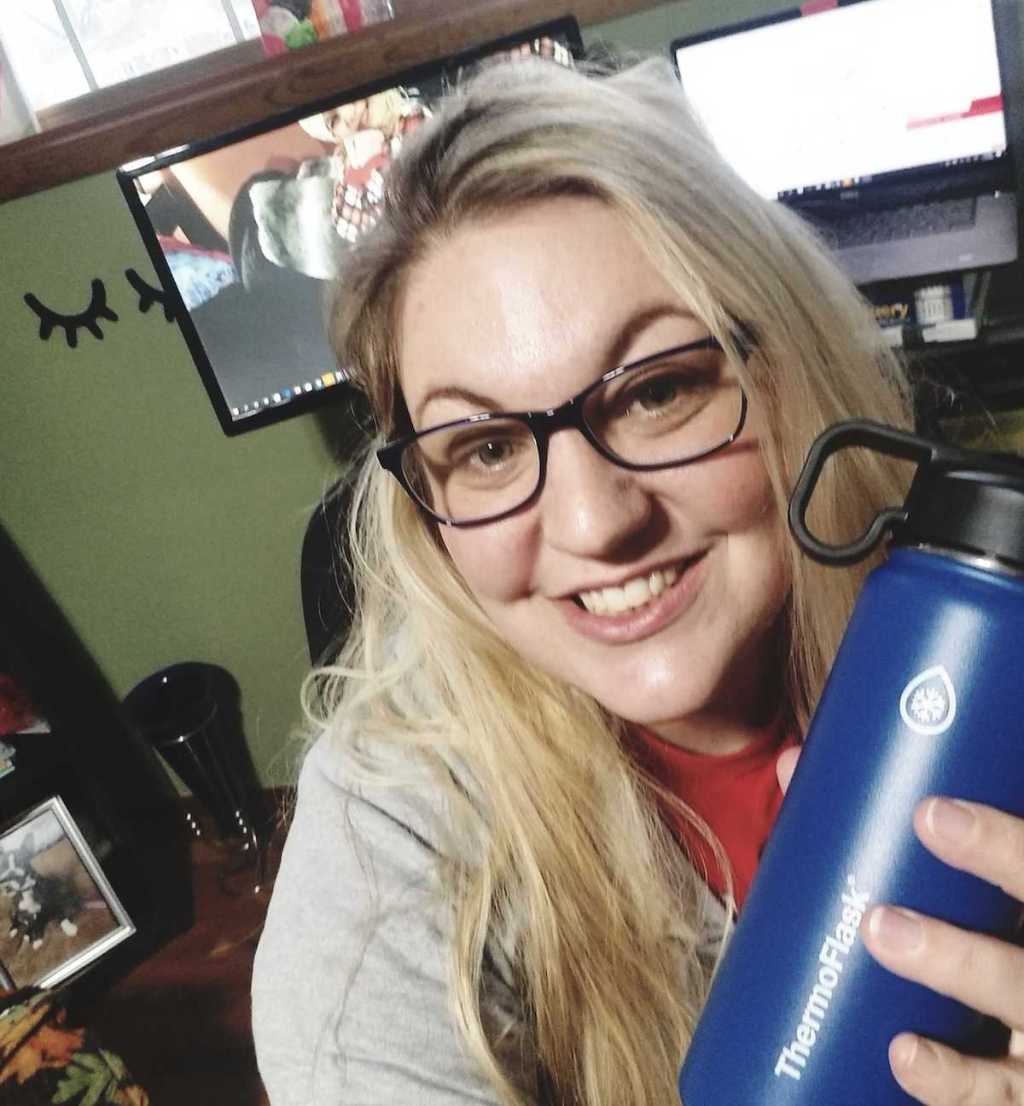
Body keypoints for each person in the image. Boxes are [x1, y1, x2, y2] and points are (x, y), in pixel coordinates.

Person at [252, 56, 1024, 1106]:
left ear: (787, 366)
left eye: (657, 390)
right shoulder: (389, 838)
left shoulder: (979, 656)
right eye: (482, 447)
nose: (593, 522)